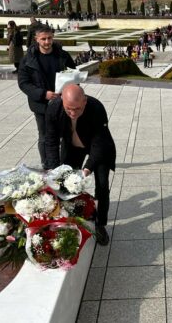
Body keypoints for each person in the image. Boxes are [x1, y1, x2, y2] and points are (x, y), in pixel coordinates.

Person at [44, 84, 116, 246]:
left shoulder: (96, 107)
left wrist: (87, 169)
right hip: (72, 146)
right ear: (62, 101)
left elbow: (99, 142)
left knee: (102, 186)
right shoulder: (54, 108)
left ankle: (101, 224)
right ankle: (71, 218)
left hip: (99, 147)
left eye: (77, 108)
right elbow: (50, 141)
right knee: (64, 184)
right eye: (69, 109)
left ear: (84, 101)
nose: (73, 113)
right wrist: (55, 169)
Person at [18, 24, 76, 170]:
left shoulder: (63, 55)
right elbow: (24, 83)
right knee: (45, 136)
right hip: (41, 104)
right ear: (37, 39)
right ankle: (47, 164)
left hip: (62, 102)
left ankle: (64, 163)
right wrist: (44, 94)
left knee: (65, 135)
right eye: (43, 39)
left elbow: (73, 74)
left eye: (49, 38)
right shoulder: (28, 59)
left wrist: (69, 90)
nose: (47, 42)